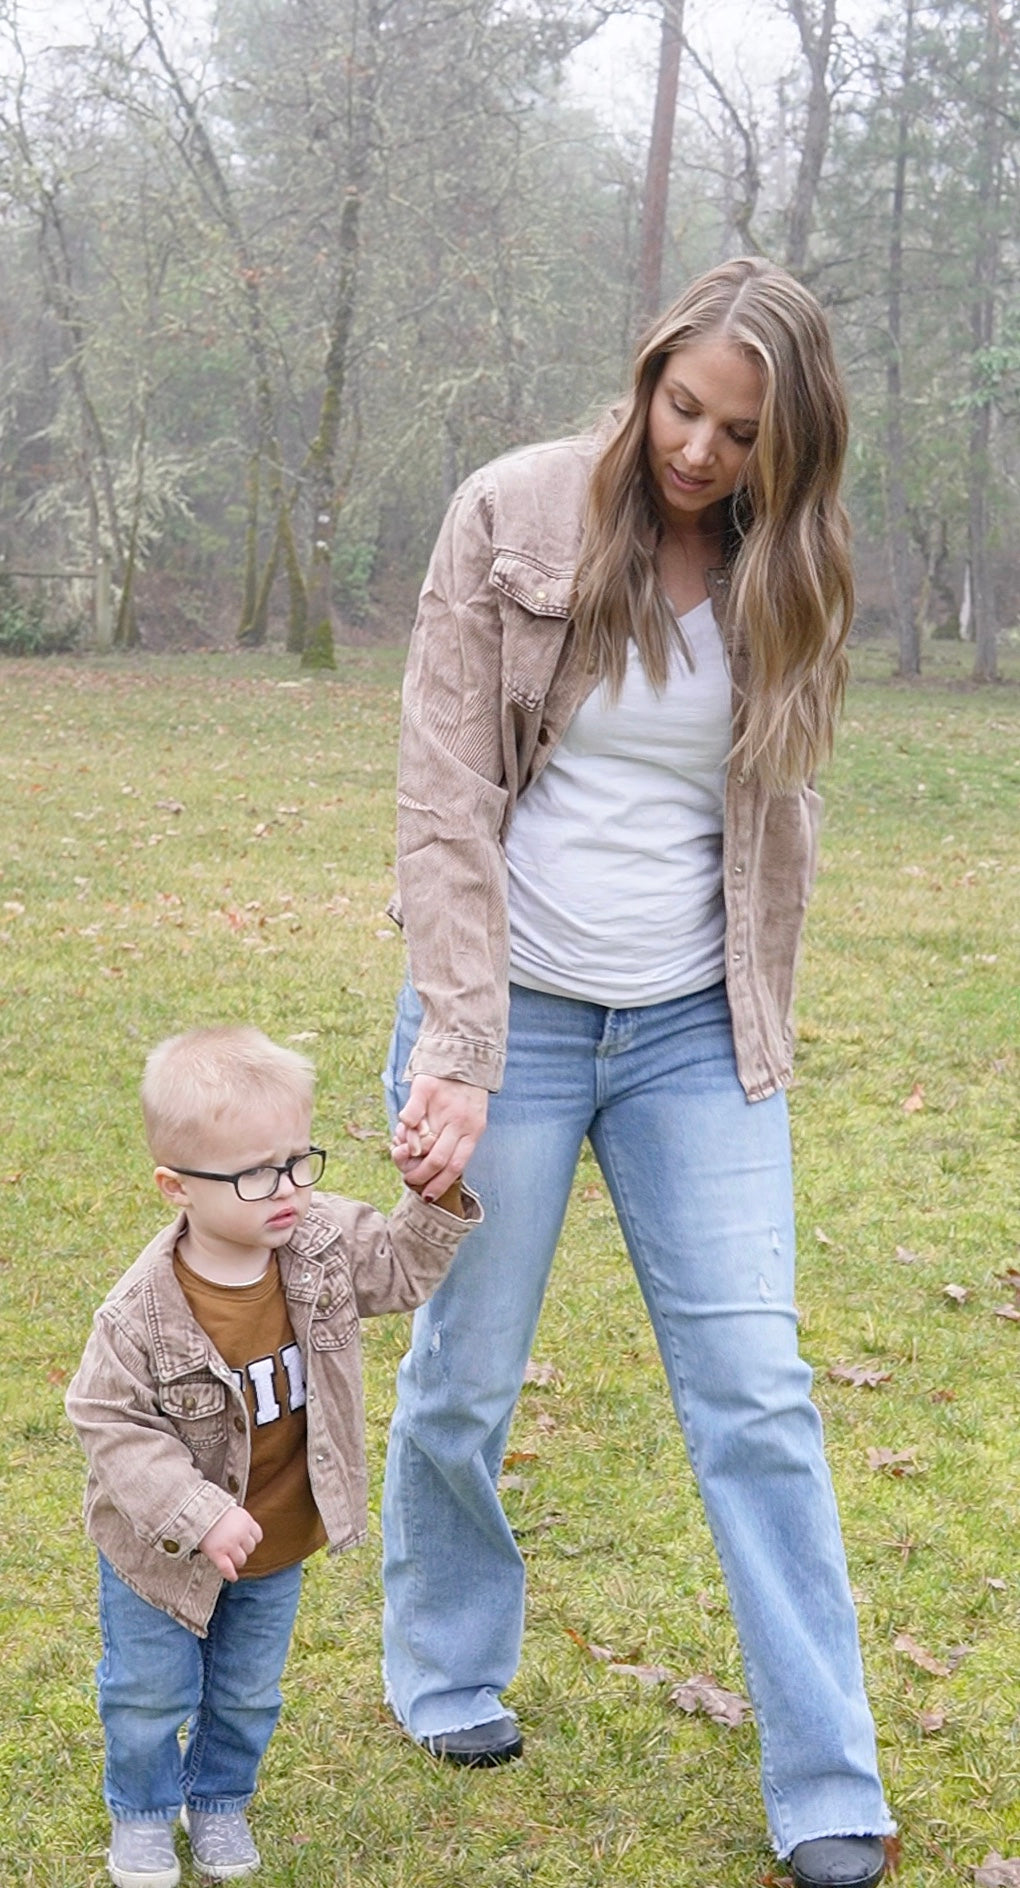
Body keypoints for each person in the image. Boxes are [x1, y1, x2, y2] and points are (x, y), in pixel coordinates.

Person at [381, 257, 894, 1888]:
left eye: (742, 433)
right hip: (509, 1017)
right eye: (684, 406)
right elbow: (446, 792)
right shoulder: (510, 513)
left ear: (786, 444)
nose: (698, 451)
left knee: (759, 1390)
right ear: (649, 372)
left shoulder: (794, 578)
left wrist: (763, 1036)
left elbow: (778, 829)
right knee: (465, 1369)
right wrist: (457, 1044)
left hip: (691, 1032)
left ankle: (826, 1773)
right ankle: (447, 1661)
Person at [66, 1025, 478, 1888]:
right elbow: (106, 1420)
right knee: (148, 1694)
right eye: (256, 1174)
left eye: (298, 1160)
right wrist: (196, 1510)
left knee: (249, 1693)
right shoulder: (139, 1313)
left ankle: (217, 1801)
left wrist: (428, 1199)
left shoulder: (320, 1241)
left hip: (275, 1536)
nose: (288, 1189)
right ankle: (141, 1812)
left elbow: (399, 1272)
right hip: (160, 1555)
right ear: (175, 1187)